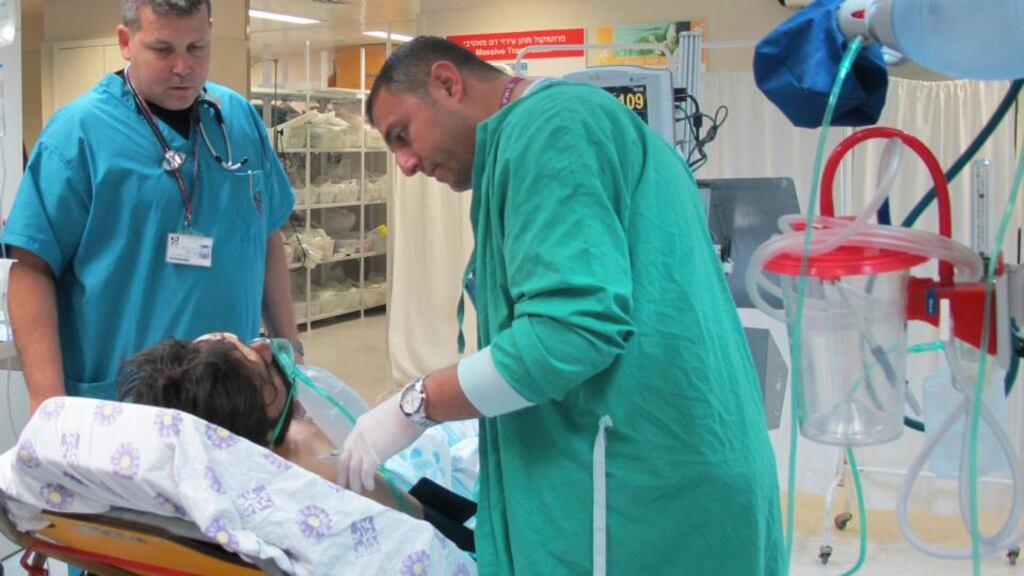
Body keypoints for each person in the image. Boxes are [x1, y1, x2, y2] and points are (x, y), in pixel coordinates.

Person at [336, 36, 783, 575]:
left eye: (402, 135)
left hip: (643, 493)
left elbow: (566, 336)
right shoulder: (562, 127)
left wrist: (418, 402)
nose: (405, 165)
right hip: (675, 465)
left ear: (447, 83)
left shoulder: (549, 131)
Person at [2, 0, 300, 416]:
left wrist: (291, 360)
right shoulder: (79, 134)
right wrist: (46, 399)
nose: (183, 67)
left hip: (235, 398)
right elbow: (32, 268)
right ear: (126, 42)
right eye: (163, 50)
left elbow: (268, 236)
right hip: (124, 401)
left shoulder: (239, 120)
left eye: (197, 48)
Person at [116, 333, 476, 552]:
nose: (266, 346)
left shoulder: (217, 458)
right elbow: (420, 517)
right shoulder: (311, 452)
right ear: (266, 403)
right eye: (254, 354)